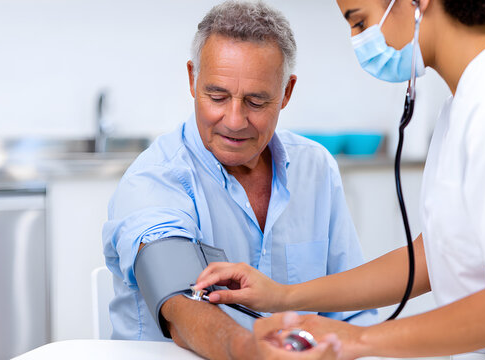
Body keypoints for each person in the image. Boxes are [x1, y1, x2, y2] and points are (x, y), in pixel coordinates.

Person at [194, 0, 485, 358]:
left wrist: (354, 340)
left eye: (360, 20)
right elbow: (431, 258)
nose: (359, 40)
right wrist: (284, 296)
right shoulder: (466, 102)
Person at [101, 1, 377, 359]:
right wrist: (254, 352)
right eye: (217, 96)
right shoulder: (154, 180)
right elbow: (182, 307)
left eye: (256, 102)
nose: (234, 120)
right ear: (192, 79)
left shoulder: (315, 168)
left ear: (286, 93)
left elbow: (353, 311)